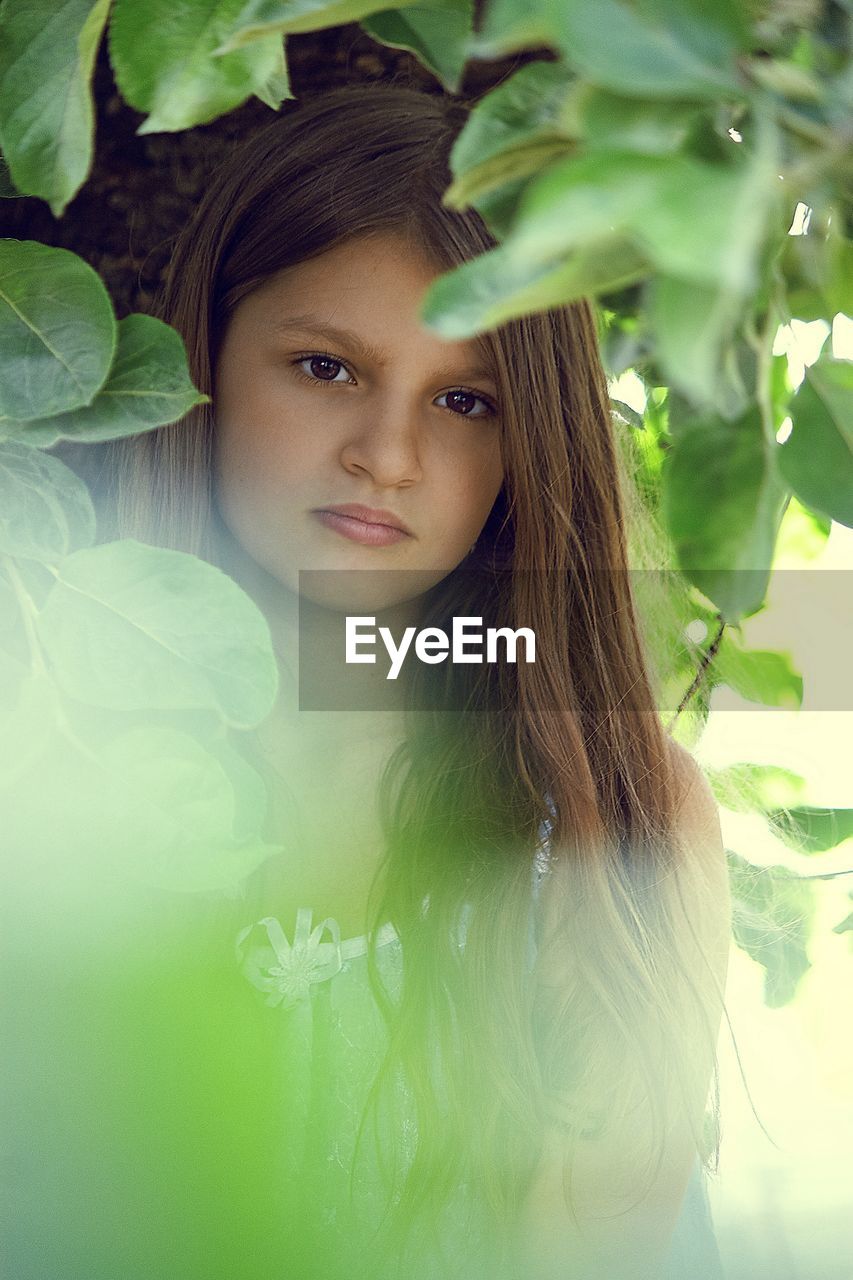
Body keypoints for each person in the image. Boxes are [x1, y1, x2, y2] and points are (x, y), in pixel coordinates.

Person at [96, 82, 731, 1280]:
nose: (385, 455)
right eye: (326, 367)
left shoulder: (608, 817)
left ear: (526, 444)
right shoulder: (45, 751)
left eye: (463, 399)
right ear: (206, 359)